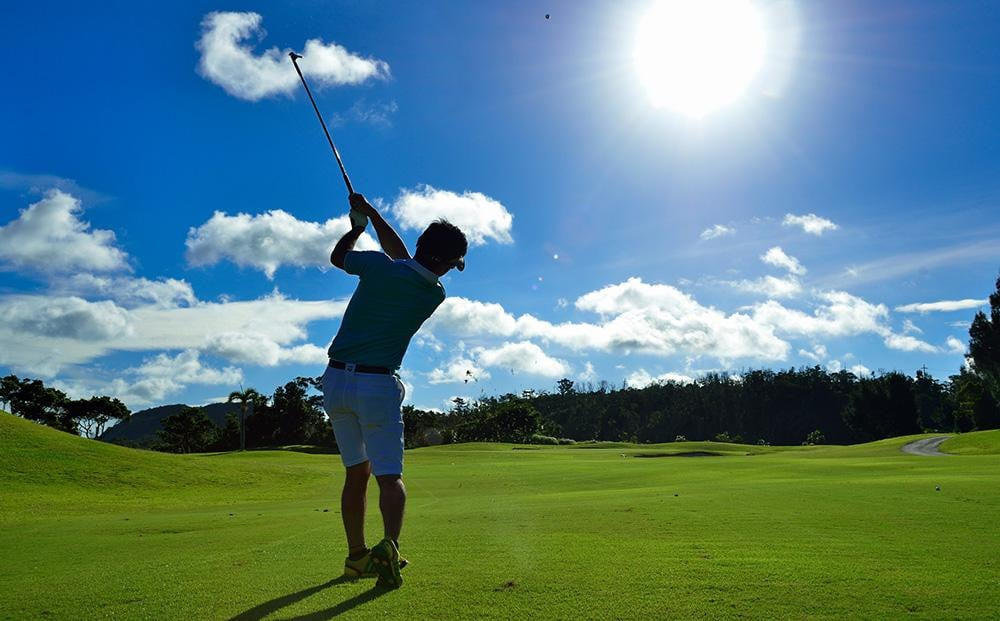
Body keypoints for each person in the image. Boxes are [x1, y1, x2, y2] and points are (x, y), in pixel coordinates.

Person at [322, 192, 467, 589]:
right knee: (389, 476)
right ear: (443, 262)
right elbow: (405, 260)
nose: (452, 271)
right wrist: (372, 215)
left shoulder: (376, 266)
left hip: (335, 381)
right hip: (377, 384)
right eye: (453, 265)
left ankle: (356, 557)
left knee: (356, 473)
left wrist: (357, 228)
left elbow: (340, 258)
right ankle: (389, 550)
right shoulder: (433, 292)